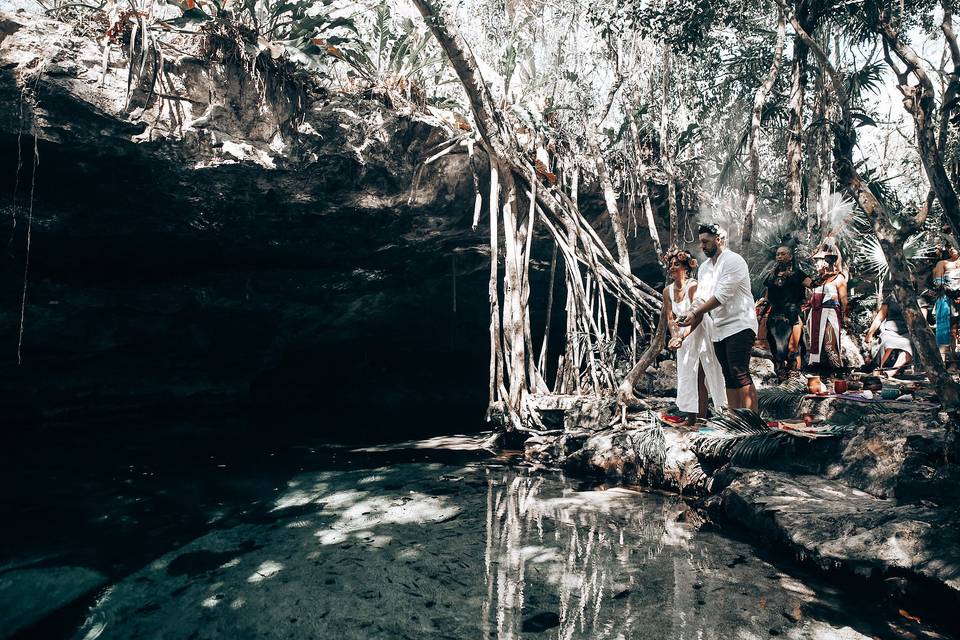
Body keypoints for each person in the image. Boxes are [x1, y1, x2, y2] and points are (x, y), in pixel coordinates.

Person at [677, 223, 759, 411]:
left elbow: (721, 296)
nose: (702, 246)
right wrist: (690, 313)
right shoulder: (704, 268)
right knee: (728, 375)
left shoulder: (733, 261)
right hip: (719, 328)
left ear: (719, 240)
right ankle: (735, 419)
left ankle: (753, 423)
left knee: (740, 373)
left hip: (740, 323)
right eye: (701, 242)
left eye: (705, 242)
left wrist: (696, 312)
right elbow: (701, 298)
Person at [661, 249, 727, 424]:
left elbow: (698, 315)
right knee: (686, 375)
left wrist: (682, 337)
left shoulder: (693, 286)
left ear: (686, 268)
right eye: (671, 265)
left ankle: (701, 419)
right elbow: (670, 318)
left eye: (677, 264)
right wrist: (675, 336)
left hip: (699, 331)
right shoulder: (667, 291)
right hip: (682, 336)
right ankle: (690, 418)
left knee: (699, 376)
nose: (672, 267)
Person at [757, 244, 812, 378]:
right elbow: (767, 297)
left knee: (792, 349)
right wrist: (761, 313)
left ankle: (795, 378)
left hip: (792, 314)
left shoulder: (798, 273)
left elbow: (812, 284)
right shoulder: (772, 275)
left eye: (783, 254)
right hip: (775, 315)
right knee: (777, 351)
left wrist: (824, 277)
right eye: (777, 254)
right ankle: (782, 380)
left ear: (790, 256)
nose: (779, 256)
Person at [806, 244, 848, 371]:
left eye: (818, 261)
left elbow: (844, 300)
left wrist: (844, 316)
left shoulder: (839, 277)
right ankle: (822, 375)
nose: (816, 264)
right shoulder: (817, 280)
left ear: (826, 261)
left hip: (830, 314)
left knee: (829, 345)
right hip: (815, 314)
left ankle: (838, 373)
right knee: (816, 346)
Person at [865, 293, 913, 375]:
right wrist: (870, 334)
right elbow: (879, 318)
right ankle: (878, 370)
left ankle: (891, 372)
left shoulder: (917, 300)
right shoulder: (890, 299)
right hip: (889, 331)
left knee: (910, 345)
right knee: (885, 342)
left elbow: (921, 322)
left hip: (907, 333)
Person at [932, 243, 960, 369]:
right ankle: (945, 362)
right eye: (949, 247)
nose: (952, 249)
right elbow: (938, 283)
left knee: (955, 331)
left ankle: (954, 360)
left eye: (954, 245)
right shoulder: (942, 263)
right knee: (946, 331)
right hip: (946, 298)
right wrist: (952, 294)